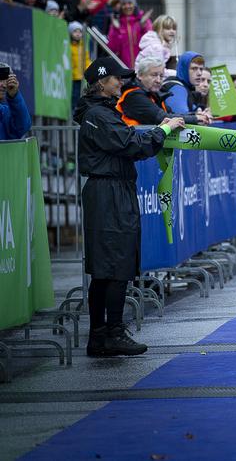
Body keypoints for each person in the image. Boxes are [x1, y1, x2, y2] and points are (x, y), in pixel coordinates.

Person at [74, 56, 185, 357]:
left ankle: (101, 336)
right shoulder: (98, 114)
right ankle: (111, 333)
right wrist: (163, 131)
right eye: (116, 78)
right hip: (108, 191)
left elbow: (128, 140)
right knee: (114, 264)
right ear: (101, 82)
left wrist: (158, 130)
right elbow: (130, 144)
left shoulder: (101, 112)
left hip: (111, 189)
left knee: (107, 266)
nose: (121, 82)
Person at [115, 52, 211, 127]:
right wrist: (196, 118)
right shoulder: (134, 96)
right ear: (140, 75)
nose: (158, 80)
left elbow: (172, 114)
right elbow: (161, 118)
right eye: (154, 75)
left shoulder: (153, 94)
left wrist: (197, 115)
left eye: (161, 76)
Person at [107, 0, 151, 66]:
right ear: (121, 6)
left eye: (130, 3)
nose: (127, 6)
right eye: (124, 4)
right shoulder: (117, 23)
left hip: (143, 68)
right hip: (124, 68)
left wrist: (143, 28)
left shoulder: (143, 20)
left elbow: (150, 44)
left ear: (135, 5)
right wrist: (117, 30)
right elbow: (112, 49)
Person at [161, 51, 206, 115]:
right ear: (184, 69)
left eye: (201, 69)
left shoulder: (185, 87)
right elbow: (182, 117)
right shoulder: (177, 88)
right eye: (194, 69)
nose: (199, 73)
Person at [0, 64, 31, 140]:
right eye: (0, 80)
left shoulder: (3, 113)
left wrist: (14, 96)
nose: (4, 85)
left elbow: (22, 127)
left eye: (7, 80)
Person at [69, 22, 91, 110]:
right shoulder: (69, 46)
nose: (78, 34)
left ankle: (77, 112)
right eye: (75, 31)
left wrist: (89, 69)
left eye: (80, 32)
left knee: (79, 96)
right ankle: (72, 112)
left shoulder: (83, 46)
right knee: (73, 96)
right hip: (72, 77)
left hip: (81, 77)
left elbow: (86, 59)